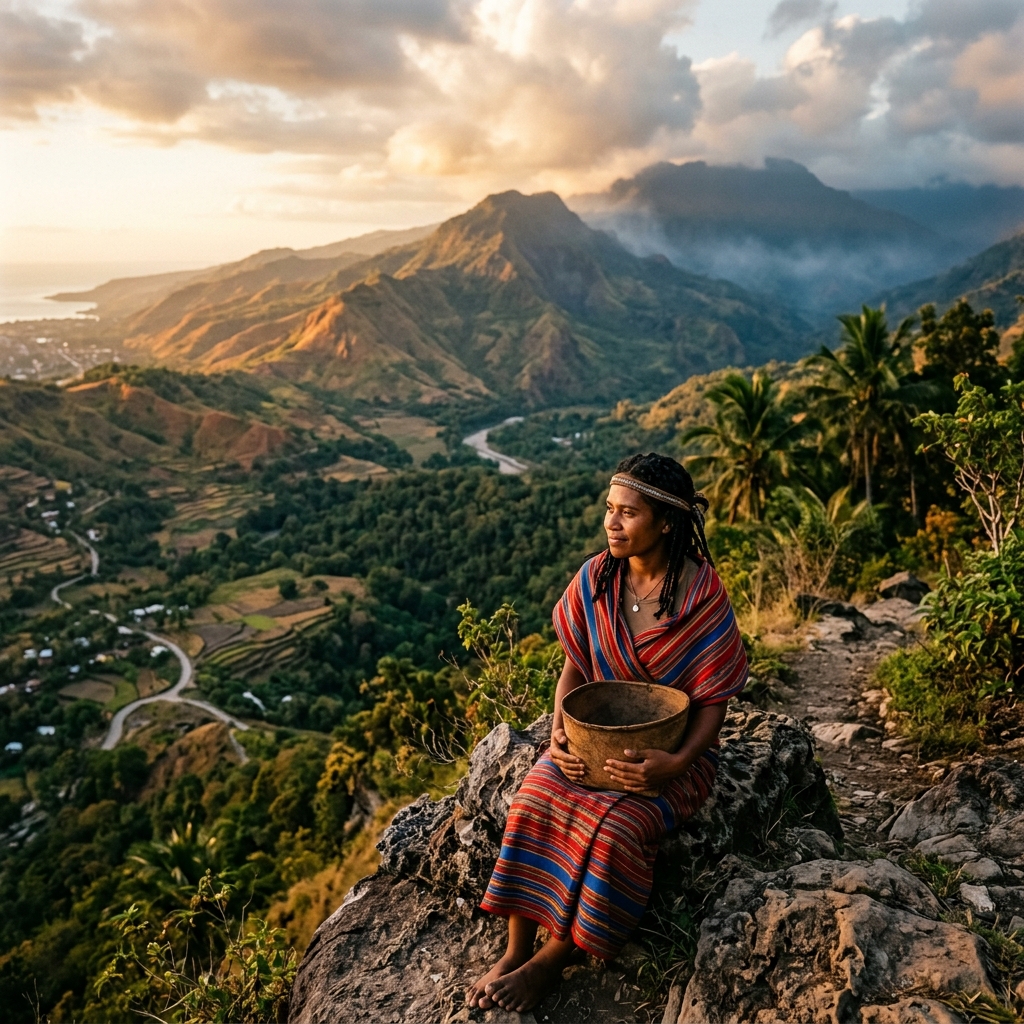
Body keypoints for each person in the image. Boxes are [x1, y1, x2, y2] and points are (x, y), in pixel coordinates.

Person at [465, 453, 748, 1014]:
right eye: (609, 511)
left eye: (628, 513)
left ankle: (554, 958)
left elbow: (714, 700)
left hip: (669, 758)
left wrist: (678, 763)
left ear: (666, 522)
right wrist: (558, 733)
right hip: (589, 743)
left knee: (613, 829)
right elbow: (574, 664)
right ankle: (515, 947)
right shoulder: (596, 578)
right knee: (532, 802)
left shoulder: (700, 595)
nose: (612, 524)